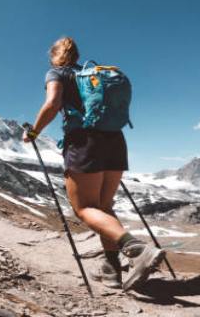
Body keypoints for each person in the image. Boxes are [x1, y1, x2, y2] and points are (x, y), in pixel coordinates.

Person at [22, 36, 164, 291]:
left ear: (55, 55)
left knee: (84, 208)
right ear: (76, 55)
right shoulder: (92, 74)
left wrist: (33, 132)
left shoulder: (56, 73)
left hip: (84, 142)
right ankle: (111, 271)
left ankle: (136, 249)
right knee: (104, 207)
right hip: (115, 140)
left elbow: (53, 103)